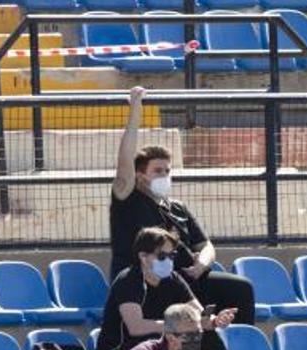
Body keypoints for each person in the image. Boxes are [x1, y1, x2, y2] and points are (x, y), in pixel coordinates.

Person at [110, 87, 256, 336]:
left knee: (240, 289)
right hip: (152, 278)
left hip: (188, 277)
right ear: (140, 175)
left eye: (167, 170)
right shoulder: (128, 199)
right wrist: (135, 108)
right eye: (158, 170)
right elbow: (125, 159)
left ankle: (238, 349)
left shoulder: (177, 207)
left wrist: (201, 264)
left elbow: (206, 245)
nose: (165, 175)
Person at [96, 227, 239, 350]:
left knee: (206, 336)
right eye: (162, 256)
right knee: (173, 341)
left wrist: (214, 321)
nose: (169, 261)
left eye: (172, 256)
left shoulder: (173, 279)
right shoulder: (128, 280)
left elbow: (197, 314)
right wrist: (177, 327)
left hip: (156, 342)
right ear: (143, 256)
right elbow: (136, 327)